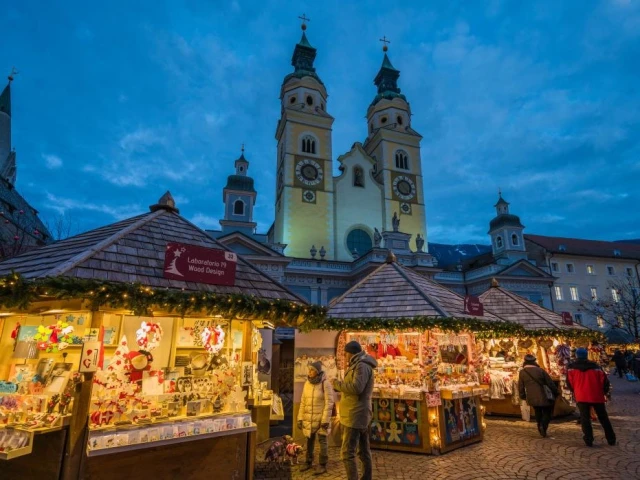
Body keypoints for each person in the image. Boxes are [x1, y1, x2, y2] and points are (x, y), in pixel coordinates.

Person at [332, 340, 377, 480]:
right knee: (363, 451)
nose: (344, 357)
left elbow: (357, 388)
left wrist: (337, 384)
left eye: (345, 354)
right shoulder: (359, 364)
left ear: (350, 353)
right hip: (358, 412)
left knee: (347, 453)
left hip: (355, 414)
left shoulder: (361, 366)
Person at [566, 347, 616, 447]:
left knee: (585, 418)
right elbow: (604, 381)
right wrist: (603, 392)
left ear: (576, 355)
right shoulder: (596, 367)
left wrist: (575, 391)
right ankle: (611, 438)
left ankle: (588, 439)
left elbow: (569, 383)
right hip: (596, 395)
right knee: (603, 417)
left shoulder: (571, 368)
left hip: (581, 396)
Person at [297, 361, 335, 475]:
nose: (309, 372)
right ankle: (308, 461)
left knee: (323, 441)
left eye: (312, 370)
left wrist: (325, 420)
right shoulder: (307, 384)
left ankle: (323, 464)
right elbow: (303, 402)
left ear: (317, 372)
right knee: (309, 439)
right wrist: (300, 418)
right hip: (309, 417)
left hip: (321, 419)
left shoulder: (325, 384)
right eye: (309, 369)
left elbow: (329, 403)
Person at [518, 354, 558, 437]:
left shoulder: (522, 372)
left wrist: (522, 395)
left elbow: (521, 386)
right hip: (544, 395)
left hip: (531, 396)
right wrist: (556, 391)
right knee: (547, 411)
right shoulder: (540, 370)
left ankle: (539, 425)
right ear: (534, 361)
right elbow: (550, 382)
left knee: (537, 411)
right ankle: (543, 426)